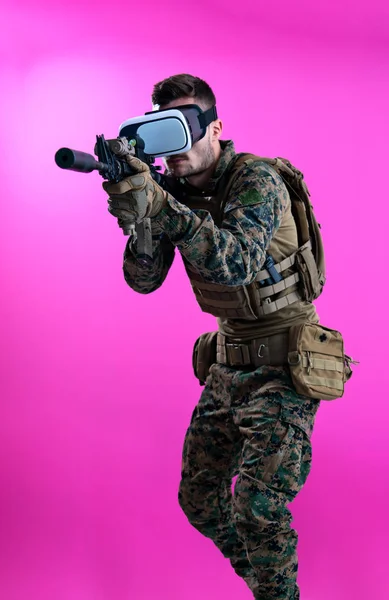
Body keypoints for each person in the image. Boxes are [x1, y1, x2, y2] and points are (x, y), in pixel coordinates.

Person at [103, 74, 324, 600]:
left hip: (284, 362)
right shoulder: (172, 193)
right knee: (200, 499)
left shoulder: (256, 180)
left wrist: (163, 209)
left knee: (258, 507)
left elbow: (236, 261)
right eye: (156, 133)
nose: (170, 150)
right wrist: (141, 220)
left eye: (179, 129)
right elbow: (143, 281)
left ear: (215, 127)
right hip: (227, 365)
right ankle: (267, 582)